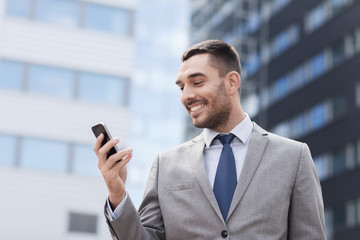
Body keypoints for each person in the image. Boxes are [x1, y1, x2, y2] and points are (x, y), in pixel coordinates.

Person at [93, 39, 326, 239]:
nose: (186, 96)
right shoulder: (166, 164)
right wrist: (117, 193)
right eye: (182, 87)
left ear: (232, 82)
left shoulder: (294, 157)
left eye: (197, 82)